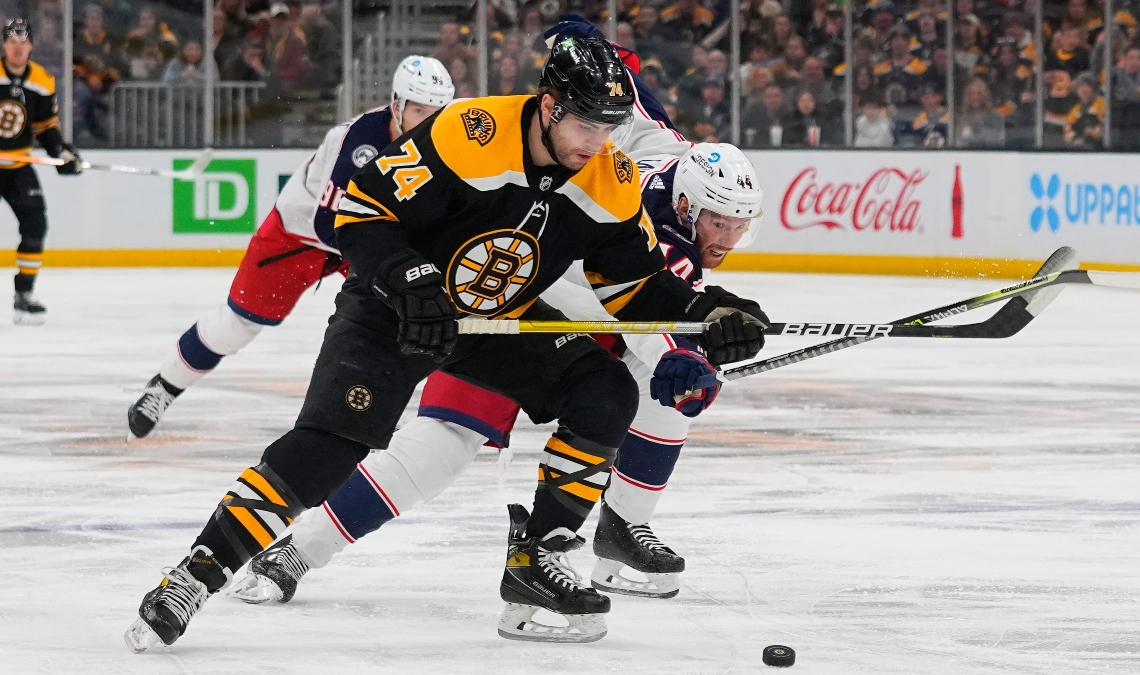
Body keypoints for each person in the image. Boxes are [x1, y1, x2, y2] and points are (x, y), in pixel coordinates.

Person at [123, 37, 767, 651]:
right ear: (549, 106)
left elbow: (633, 285)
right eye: (584, 128)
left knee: (603, 390)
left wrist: (707, 314)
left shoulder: (609, 176)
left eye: (608, 130)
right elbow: (362, 209)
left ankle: (538, 556)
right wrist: (408, 277)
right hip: (391, 313)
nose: (596, 145)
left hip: (489, 323)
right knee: (325, 454)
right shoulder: (470, 133)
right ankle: (194, 575)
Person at [227, 143, 765, 614]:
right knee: (439, 447)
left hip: (584, 334)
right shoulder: (649, 222)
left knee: (645, 396)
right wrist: (688, 357)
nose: (729, 237)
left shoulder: (665, 171)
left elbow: (646, 121)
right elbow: (655, 315)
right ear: (687, 204)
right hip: (508, 320)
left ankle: (619, 528)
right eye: (720, 222)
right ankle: (299, 549)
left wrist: (699, 350)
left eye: (741, 225)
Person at [126, 56, 455, 438]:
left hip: (369, 234)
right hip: (301, 234)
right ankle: (163, 387)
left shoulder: (444, 139)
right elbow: (329, 225)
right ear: (396, 105)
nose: (428, 122)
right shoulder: (357, 142)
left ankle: (386, 403)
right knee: (239, 323)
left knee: (409, 313)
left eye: (437, 112)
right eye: (419, 110)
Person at [0, 19, 81, 324]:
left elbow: (46, 125)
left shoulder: (43, 80)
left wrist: (60, 151)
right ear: (5, 44)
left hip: (19, 166)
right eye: (11, 42)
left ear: (31, 45)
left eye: (22, 43)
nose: (17, 48)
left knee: (35, 226)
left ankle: (24, 295)